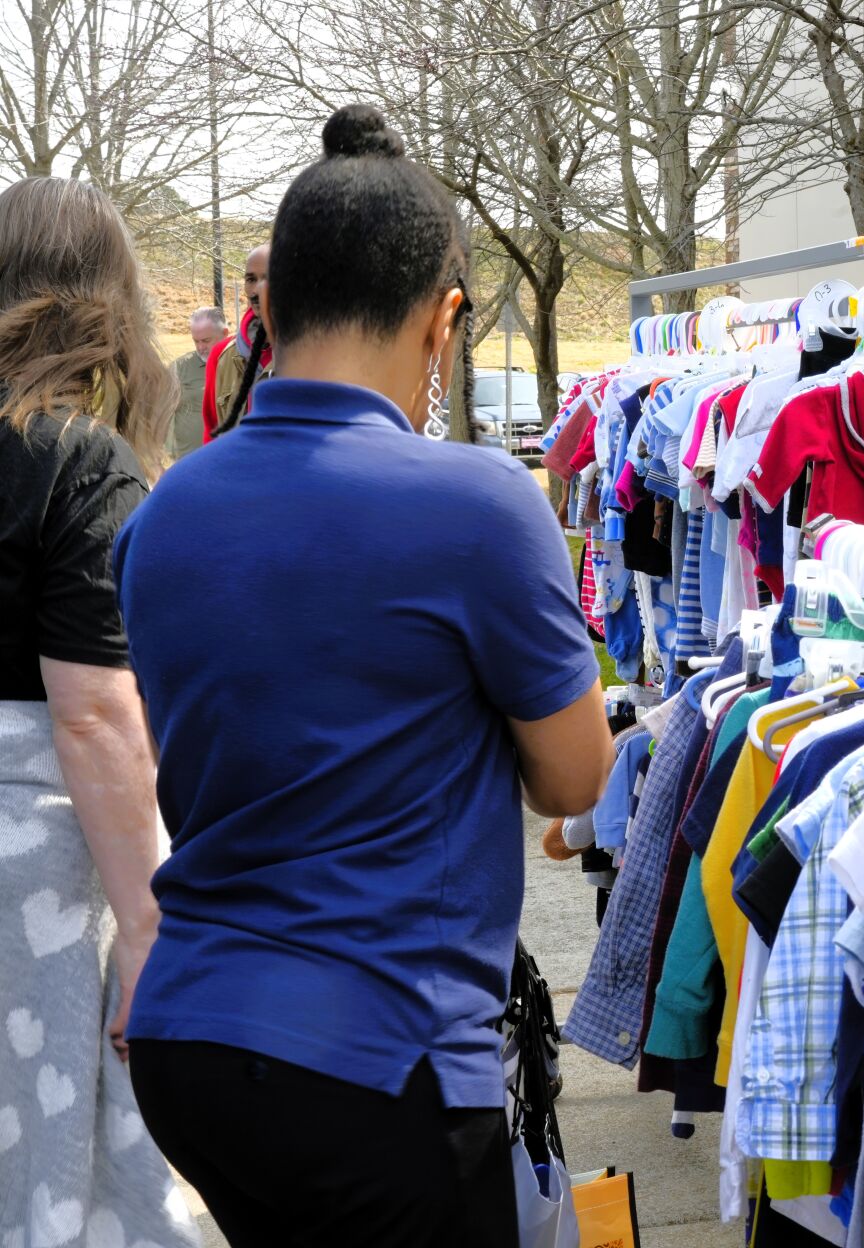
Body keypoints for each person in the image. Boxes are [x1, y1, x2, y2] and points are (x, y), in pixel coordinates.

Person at [115, 104, 612, 1246]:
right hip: (381, 1063)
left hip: (190, 1042)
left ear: (269, 309)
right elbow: (575, 778)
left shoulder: (163, 516)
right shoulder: (481, 506)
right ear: (442, 324)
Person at [0, 177, 199, 1248]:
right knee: (59, 1180)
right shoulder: (79, 459)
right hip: (35, 873)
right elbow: (93, 717)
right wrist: (148, 928)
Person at [201, 244, 271, 438]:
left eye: (268, 278)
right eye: (251, 279)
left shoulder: (308, 354)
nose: (257, 290)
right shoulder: (222, 354)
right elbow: (212, 433)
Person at [169, 305, 227, 459]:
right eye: (196, 341)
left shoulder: (240, 363)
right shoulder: (179, 368)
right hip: (189, 464)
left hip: (230, 462)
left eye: (206, 341)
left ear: (224, 333)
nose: (201, 348)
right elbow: (158, 417)